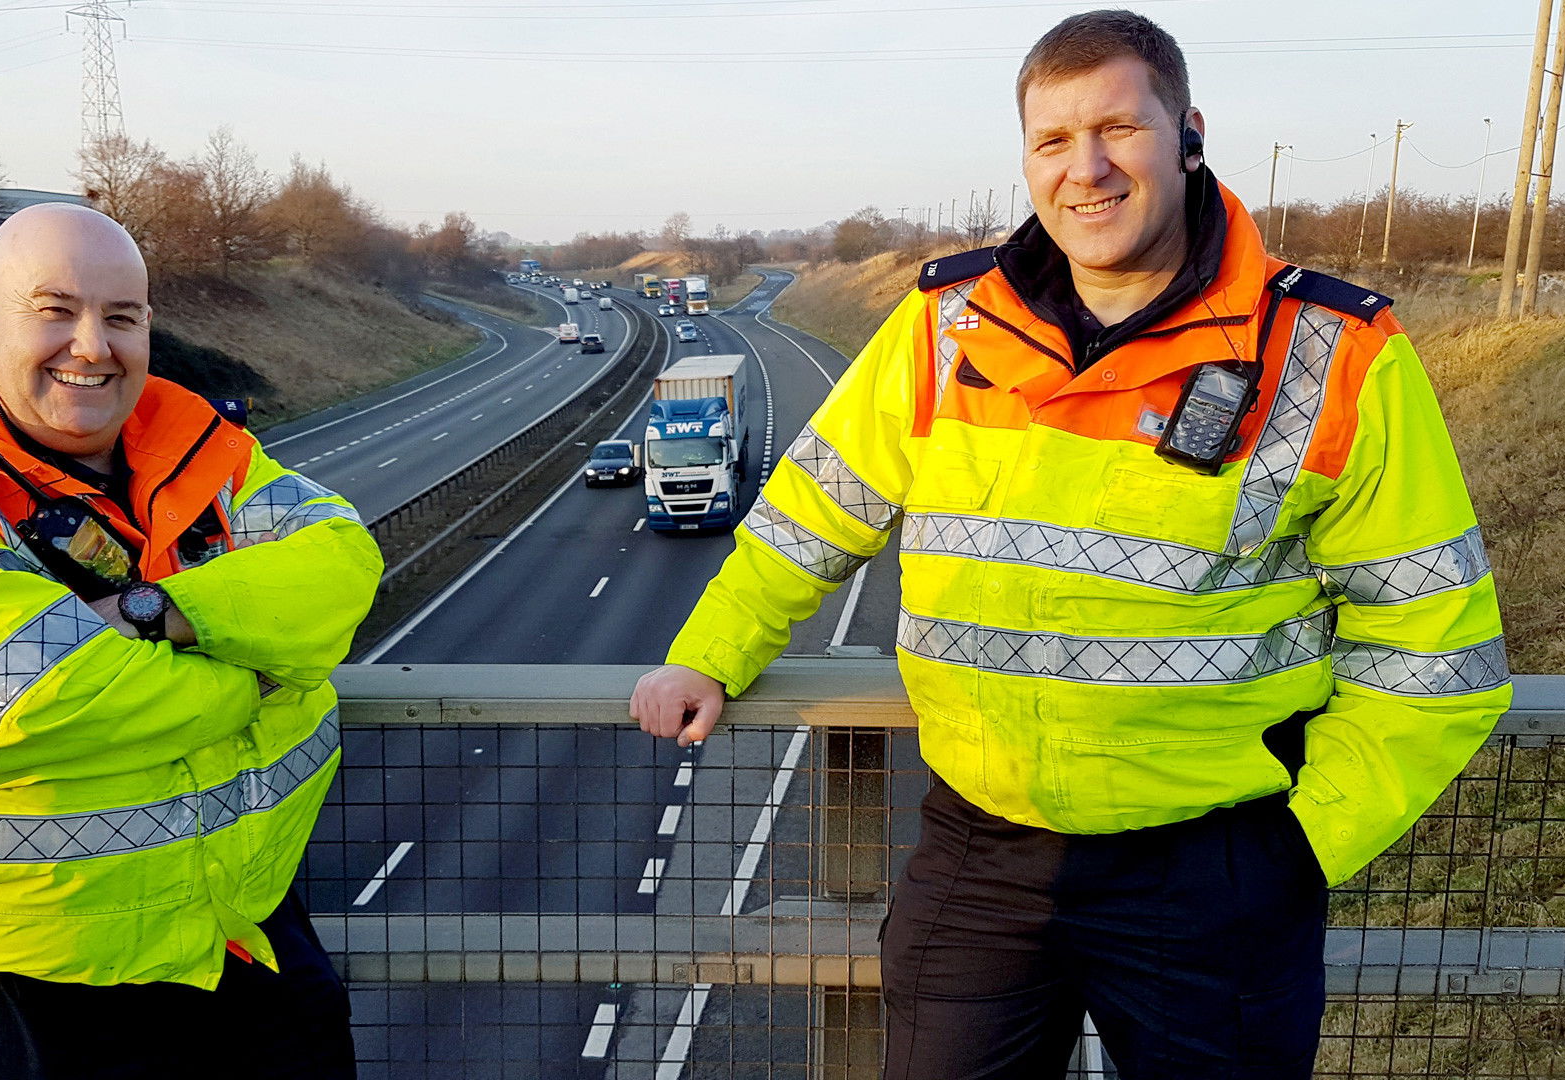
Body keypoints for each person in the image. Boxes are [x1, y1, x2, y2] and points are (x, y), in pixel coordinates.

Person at [629, 10, 1509, 1078]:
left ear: (1188, 135)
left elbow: (1437, 646)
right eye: (1052, 140)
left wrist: (1302, 844)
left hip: (1216, 872)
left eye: (1117, 129)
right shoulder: (949, 324)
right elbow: (812, 513)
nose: (1084, 169)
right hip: (979, 853)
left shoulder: (1334, 354)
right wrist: (709, 652)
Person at [0, 203, 381, 1079]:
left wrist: (149, 613)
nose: (91, 345)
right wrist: (261, 675)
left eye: (121, 317)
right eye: (55, 309)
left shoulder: (204, 450)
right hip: (20, 989)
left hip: (244, 943)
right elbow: (20, 707)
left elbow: (341, 567)